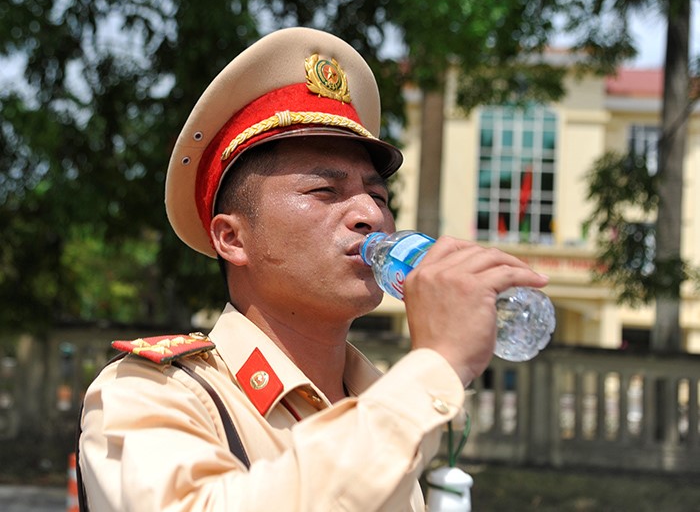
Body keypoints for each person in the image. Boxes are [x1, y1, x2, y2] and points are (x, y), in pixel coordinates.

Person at [78, 27, 548, 511]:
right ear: (232, 238)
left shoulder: (381, 400)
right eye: (324, 191)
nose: (370, 214)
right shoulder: (152, 393)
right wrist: (436, 367)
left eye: (379, 195)